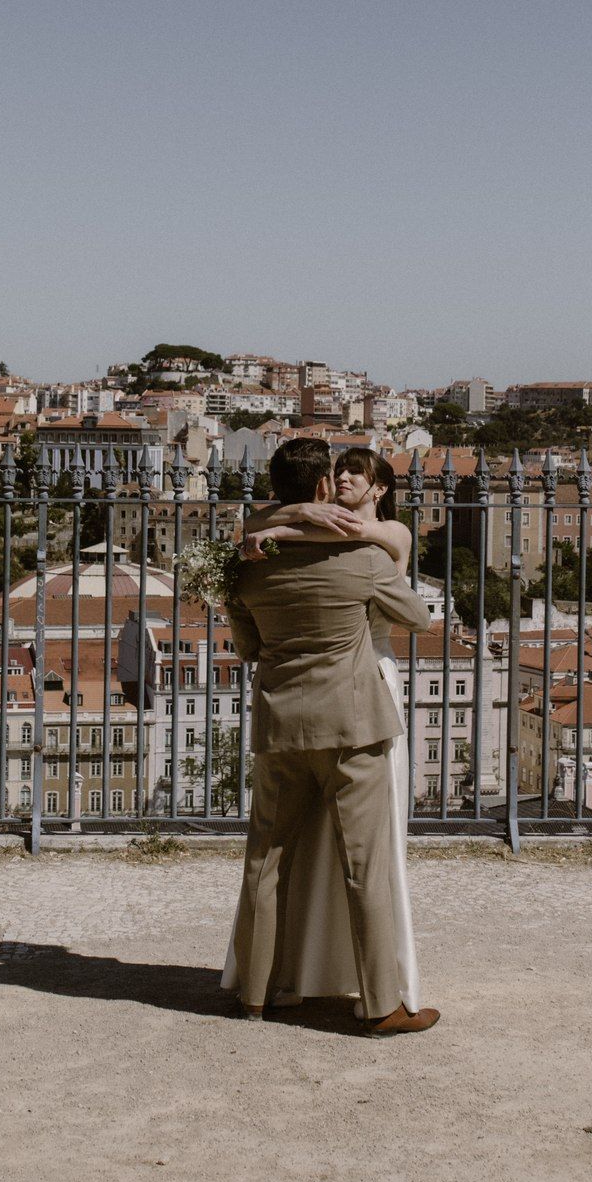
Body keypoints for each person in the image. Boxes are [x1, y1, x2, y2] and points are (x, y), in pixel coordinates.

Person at [223, 438, 438, 1037]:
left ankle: (257, 995)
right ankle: (379, 1004)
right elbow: (418, 618)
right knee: (363, 864)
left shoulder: (248, 564)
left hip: (280, 723)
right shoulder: (364, 558)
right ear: (325, 490)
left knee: (266, 861)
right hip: (351, 725)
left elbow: (248, 646)